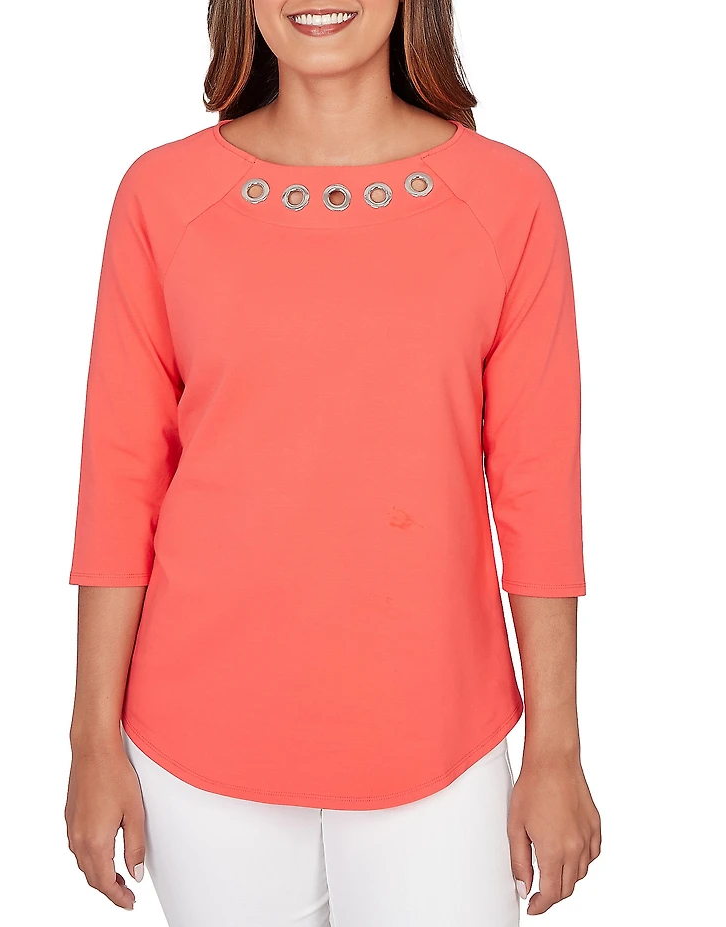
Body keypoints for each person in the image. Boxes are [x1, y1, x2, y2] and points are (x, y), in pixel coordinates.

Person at [64, 2, 601, 924]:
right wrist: (89, 741)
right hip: (199, 740)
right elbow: (119, 481)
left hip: (438, 733)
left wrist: (556, 747)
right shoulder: (161, 196)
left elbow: (538, 490)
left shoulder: (509, 200)